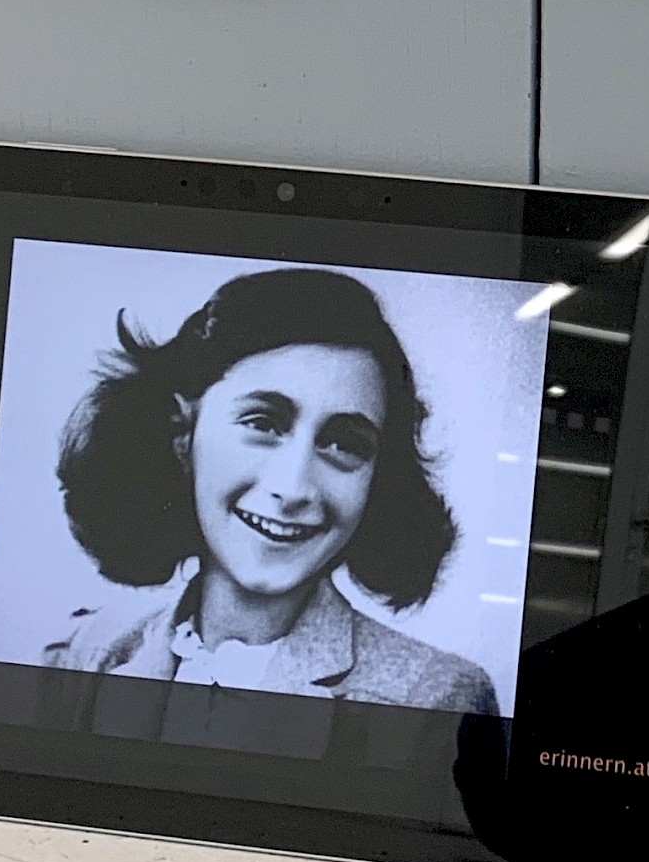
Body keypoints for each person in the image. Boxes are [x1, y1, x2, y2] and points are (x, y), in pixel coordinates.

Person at [44, 267, 499, 715]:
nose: (293, 488)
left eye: (344, 444)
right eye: (262, 423)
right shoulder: (84, 656)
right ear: (182, 434)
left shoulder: (437, 700)